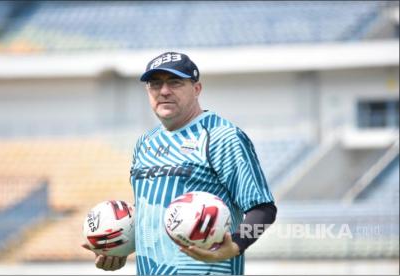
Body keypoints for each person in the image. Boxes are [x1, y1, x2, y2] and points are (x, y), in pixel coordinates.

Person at [82, 52, 277, 275]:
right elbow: (151, 215)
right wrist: (119, 247)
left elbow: (264, 210)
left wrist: (235, 245)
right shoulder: (145, 143)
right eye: (155, 84)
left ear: (197, 89)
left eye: (175, 82)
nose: (164, 91)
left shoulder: (222, 136)